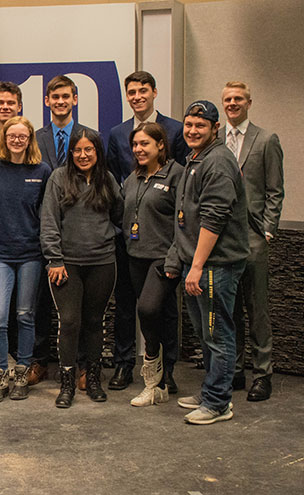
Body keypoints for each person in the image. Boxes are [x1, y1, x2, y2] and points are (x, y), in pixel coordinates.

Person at [165, 100, 249, 425]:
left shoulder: (218, 161)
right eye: (189, 124)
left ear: (215, 128)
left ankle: (218, 402)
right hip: (197, 263)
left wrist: (198, 266)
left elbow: (214, 217)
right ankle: (212, 388)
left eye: (201, 125)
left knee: (218, 333)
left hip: (215, 265)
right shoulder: (195, 159)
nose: (193, 130)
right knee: (206, 333)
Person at [106, 71, 190, 392]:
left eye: (143, 90)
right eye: (132, 91)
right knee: (126, 305)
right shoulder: (116, 134)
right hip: (129, 240)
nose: (137, 96)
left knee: (163, 309)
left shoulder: (175, 130)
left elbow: (178, 182)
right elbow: (117, 181)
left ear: (154, 92)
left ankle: (166, 371)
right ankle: (124, 365)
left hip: (161, 240)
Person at [41, 128, 123, 408]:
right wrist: (54, 258)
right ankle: (67, 384)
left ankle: (94, 379)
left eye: (89, 150)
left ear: (97, 152)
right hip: (66, 265)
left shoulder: (107, 180)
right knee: (70, 322)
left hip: (102, 262)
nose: (83, 155)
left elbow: (120, 215)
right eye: (78, 150)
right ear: (71, 152)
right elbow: (49, 220)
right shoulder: (58, 178)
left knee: (94, 322)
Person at [33, 75, 98, 388]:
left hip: (81, 241)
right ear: (47, 101)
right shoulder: (34, 138)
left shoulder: (91, 137)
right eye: (54, 97)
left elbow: (105, 189)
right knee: (40, 305)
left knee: (81, 313)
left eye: (65, 96)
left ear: (75, 99)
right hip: (42, 233)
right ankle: (40, 363)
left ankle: (83, 367)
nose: (60, 102)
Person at [221, 81, 284, 401]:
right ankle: (234, 371)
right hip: (222, 238)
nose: (232, 104)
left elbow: (275, 189)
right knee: (228, 310)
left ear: (249, 102)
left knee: (257, 309)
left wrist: (269, 229)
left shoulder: (266, 139)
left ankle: (263, 374)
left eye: (238, 99)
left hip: (254, 235)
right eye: (228, 99)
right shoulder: (215, 139)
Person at [0, 116, 52, 403]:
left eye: (22, 135)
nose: (17, 140)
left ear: (30, 139)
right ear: (5, 138)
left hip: (31, 255)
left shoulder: (42, 170)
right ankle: (0, 372)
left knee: (25, 315)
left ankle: (22, 371)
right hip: (1, 254)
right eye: (12, 135)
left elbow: (48, 210)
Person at [121, 122, 183, 407]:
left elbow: (184, 222)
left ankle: (151, 376)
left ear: (161, 145)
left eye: (145, 143)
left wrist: (174, 258)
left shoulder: (177, 174)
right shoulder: (132, 177)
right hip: (136, 256)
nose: (138, 149)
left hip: (163, 258)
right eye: (135, 144)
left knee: (148, 310)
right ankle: (165, 377)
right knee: (163, 314)